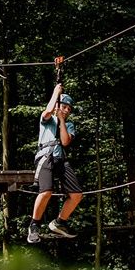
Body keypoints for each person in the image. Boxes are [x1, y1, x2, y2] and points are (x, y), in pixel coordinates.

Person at [27, 83, 82, 243]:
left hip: (60, 160)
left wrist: (62, 120)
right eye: (64, 107)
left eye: (69, 109)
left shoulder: (69, 125)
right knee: (46, 192)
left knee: (77, 195)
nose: (66, 110)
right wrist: (56, 93)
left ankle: (60, 222)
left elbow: (65, 142)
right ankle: (34, 225)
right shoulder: (47, 120)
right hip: (46, 157)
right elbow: (47, 111)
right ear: (58, 106)